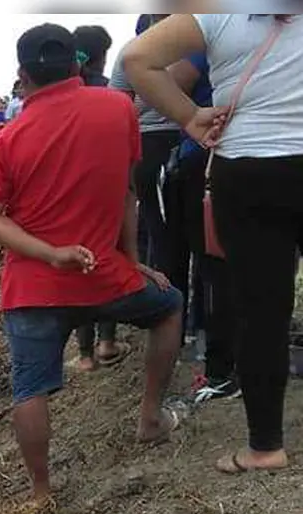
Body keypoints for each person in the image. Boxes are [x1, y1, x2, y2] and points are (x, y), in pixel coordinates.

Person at [0, 23, 184, 501]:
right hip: (106, 276)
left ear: (22, 75)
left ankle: (42, 493)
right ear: (79, 65)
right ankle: (150, 418)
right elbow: (127, 193)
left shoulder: (7, 139)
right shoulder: (118, 108)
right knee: (170, 306)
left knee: (30, 387)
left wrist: (50, 254)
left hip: (32, 289)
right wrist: (134, 263)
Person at [124, 13, 303, 474]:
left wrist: (189, 117)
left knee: (263, 309)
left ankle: (265, 447)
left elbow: (137, 59)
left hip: (247, 169)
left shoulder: (218, 9)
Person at [164, 50, 240, 402]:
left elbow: (167, 79)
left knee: (215, 265)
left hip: (212, 155)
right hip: (277, 155)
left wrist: (192, 117)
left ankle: (223, 371)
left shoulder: (212, 31)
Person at [72, 24, 128, 372]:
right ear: (104, 55)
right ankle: (108, 342)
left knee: (81, 267)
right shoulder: (115, 95)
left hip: (72, 195)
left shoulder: (63, 94)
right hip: (110, 191)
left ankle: (85, 354)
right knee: (109, 261)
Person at [110, 15, 182, 271]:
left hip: (146, 144)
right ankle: (180, 304)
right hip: (192, 141)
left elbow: (117, 107)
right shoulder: (196, 40)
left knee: (156, 228)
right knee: (188, 237)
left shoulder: (132, 51)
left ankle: (160, 298)